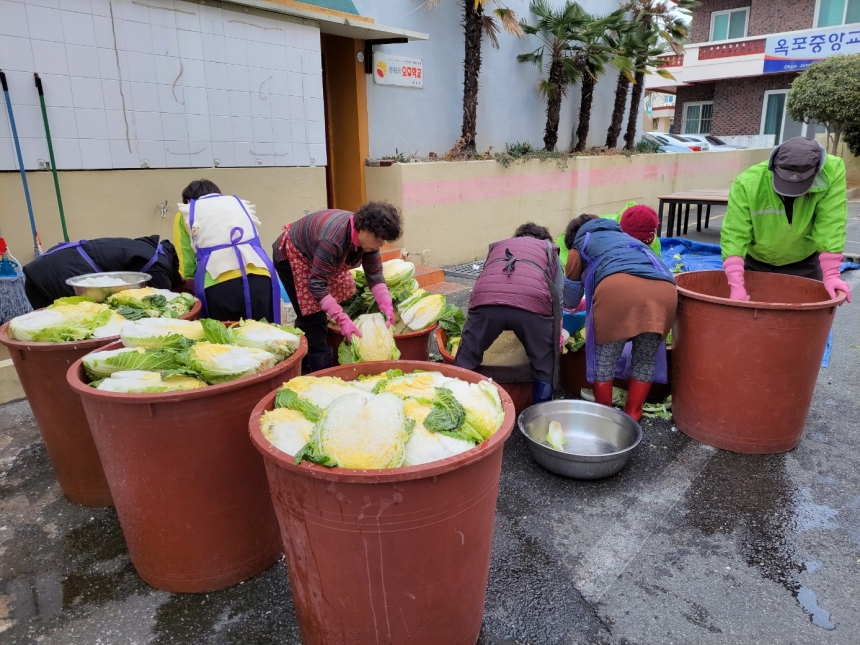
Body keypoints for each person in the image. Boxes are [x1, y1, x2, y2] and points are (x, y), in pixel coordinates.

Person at [564, 214, 676, 421]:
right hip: (665, 292)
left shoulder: (580, 245)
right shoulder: (627, 238)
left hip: (618, 293)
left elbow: (570, 300)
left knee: (605, 359)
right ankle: (633, 414)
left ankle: (605, 417)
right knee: (645, 358)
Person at [272, 203, 403, 372]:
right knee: (313, 318)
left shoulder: (368, 241)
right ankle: (314, 371)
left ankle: (311, 340)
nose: (380, 244)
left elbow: (374, 274)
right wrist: (342, 319)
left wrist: (386, 303)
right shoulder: (333, 240)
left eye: (383, 240)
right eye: (378, 239)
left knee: (345, 287)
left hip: (318, 258)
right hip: (294, 255)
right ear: (364, 229)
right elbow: (317, 285)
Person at [721, 136, 852, 303]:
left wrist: (831, 274)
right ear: (773, 166)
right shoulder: (748, 183)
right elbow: (734, 233)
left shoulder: (831, 172)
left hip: (804, 260)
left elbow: (831, 223)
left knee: (804, 316)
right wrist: (736, 284)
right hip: (756, 260)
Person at [453, 222, 563, 405]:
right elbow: (558, 296)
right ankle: (539, 414)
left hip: (487, 301)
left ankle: (456, 403)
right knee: (545, 365)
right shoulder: (549, 249)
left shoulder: (499, 246)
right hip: (532, 303)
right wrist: (555, 333)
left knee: (466, 357)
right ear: (545, 239)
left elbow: (485, 281)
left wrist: (474, 326)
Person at [174, 179, 280, 322]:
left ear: (188, 201)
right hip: (261, 278)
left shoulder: (186, 212)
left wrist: (190, 288)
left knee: (226, 334)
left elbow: (186, 262)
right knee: (263, 332)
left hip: (218, 285)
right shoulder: (239, 204)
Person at [22, 236, 180, 309]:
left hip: (41, 270)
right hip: (59, 274)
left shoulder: (147, 247)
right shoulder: (157, 263)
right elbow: (162, 304)